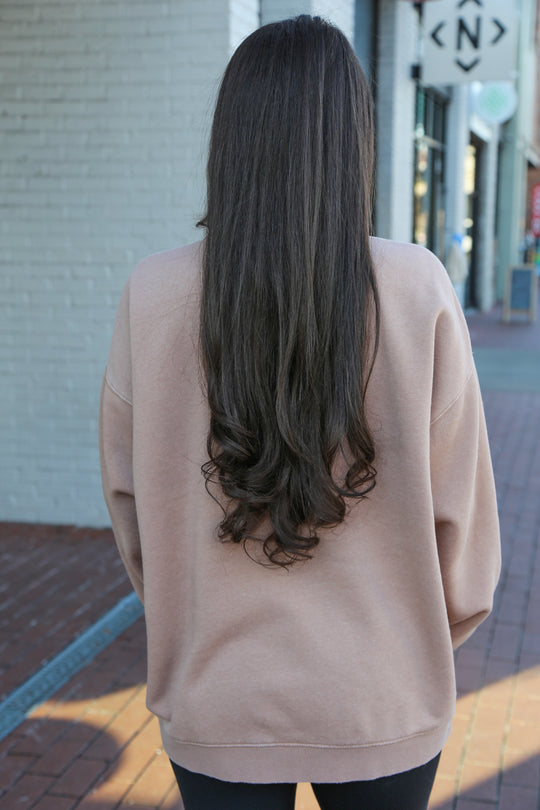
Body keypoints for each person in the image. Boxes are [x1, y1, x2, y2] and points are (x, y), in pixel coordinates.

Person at [99, 15, 501, 810]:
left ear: (231, 140)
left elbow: (131, 508)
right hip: (384, 695)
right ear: (353, 140)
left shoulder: (154, 294)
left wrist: (192, 615)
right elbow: (464, 531)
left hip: (217, 694)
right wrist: (415, 643)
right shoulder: (416, 288)